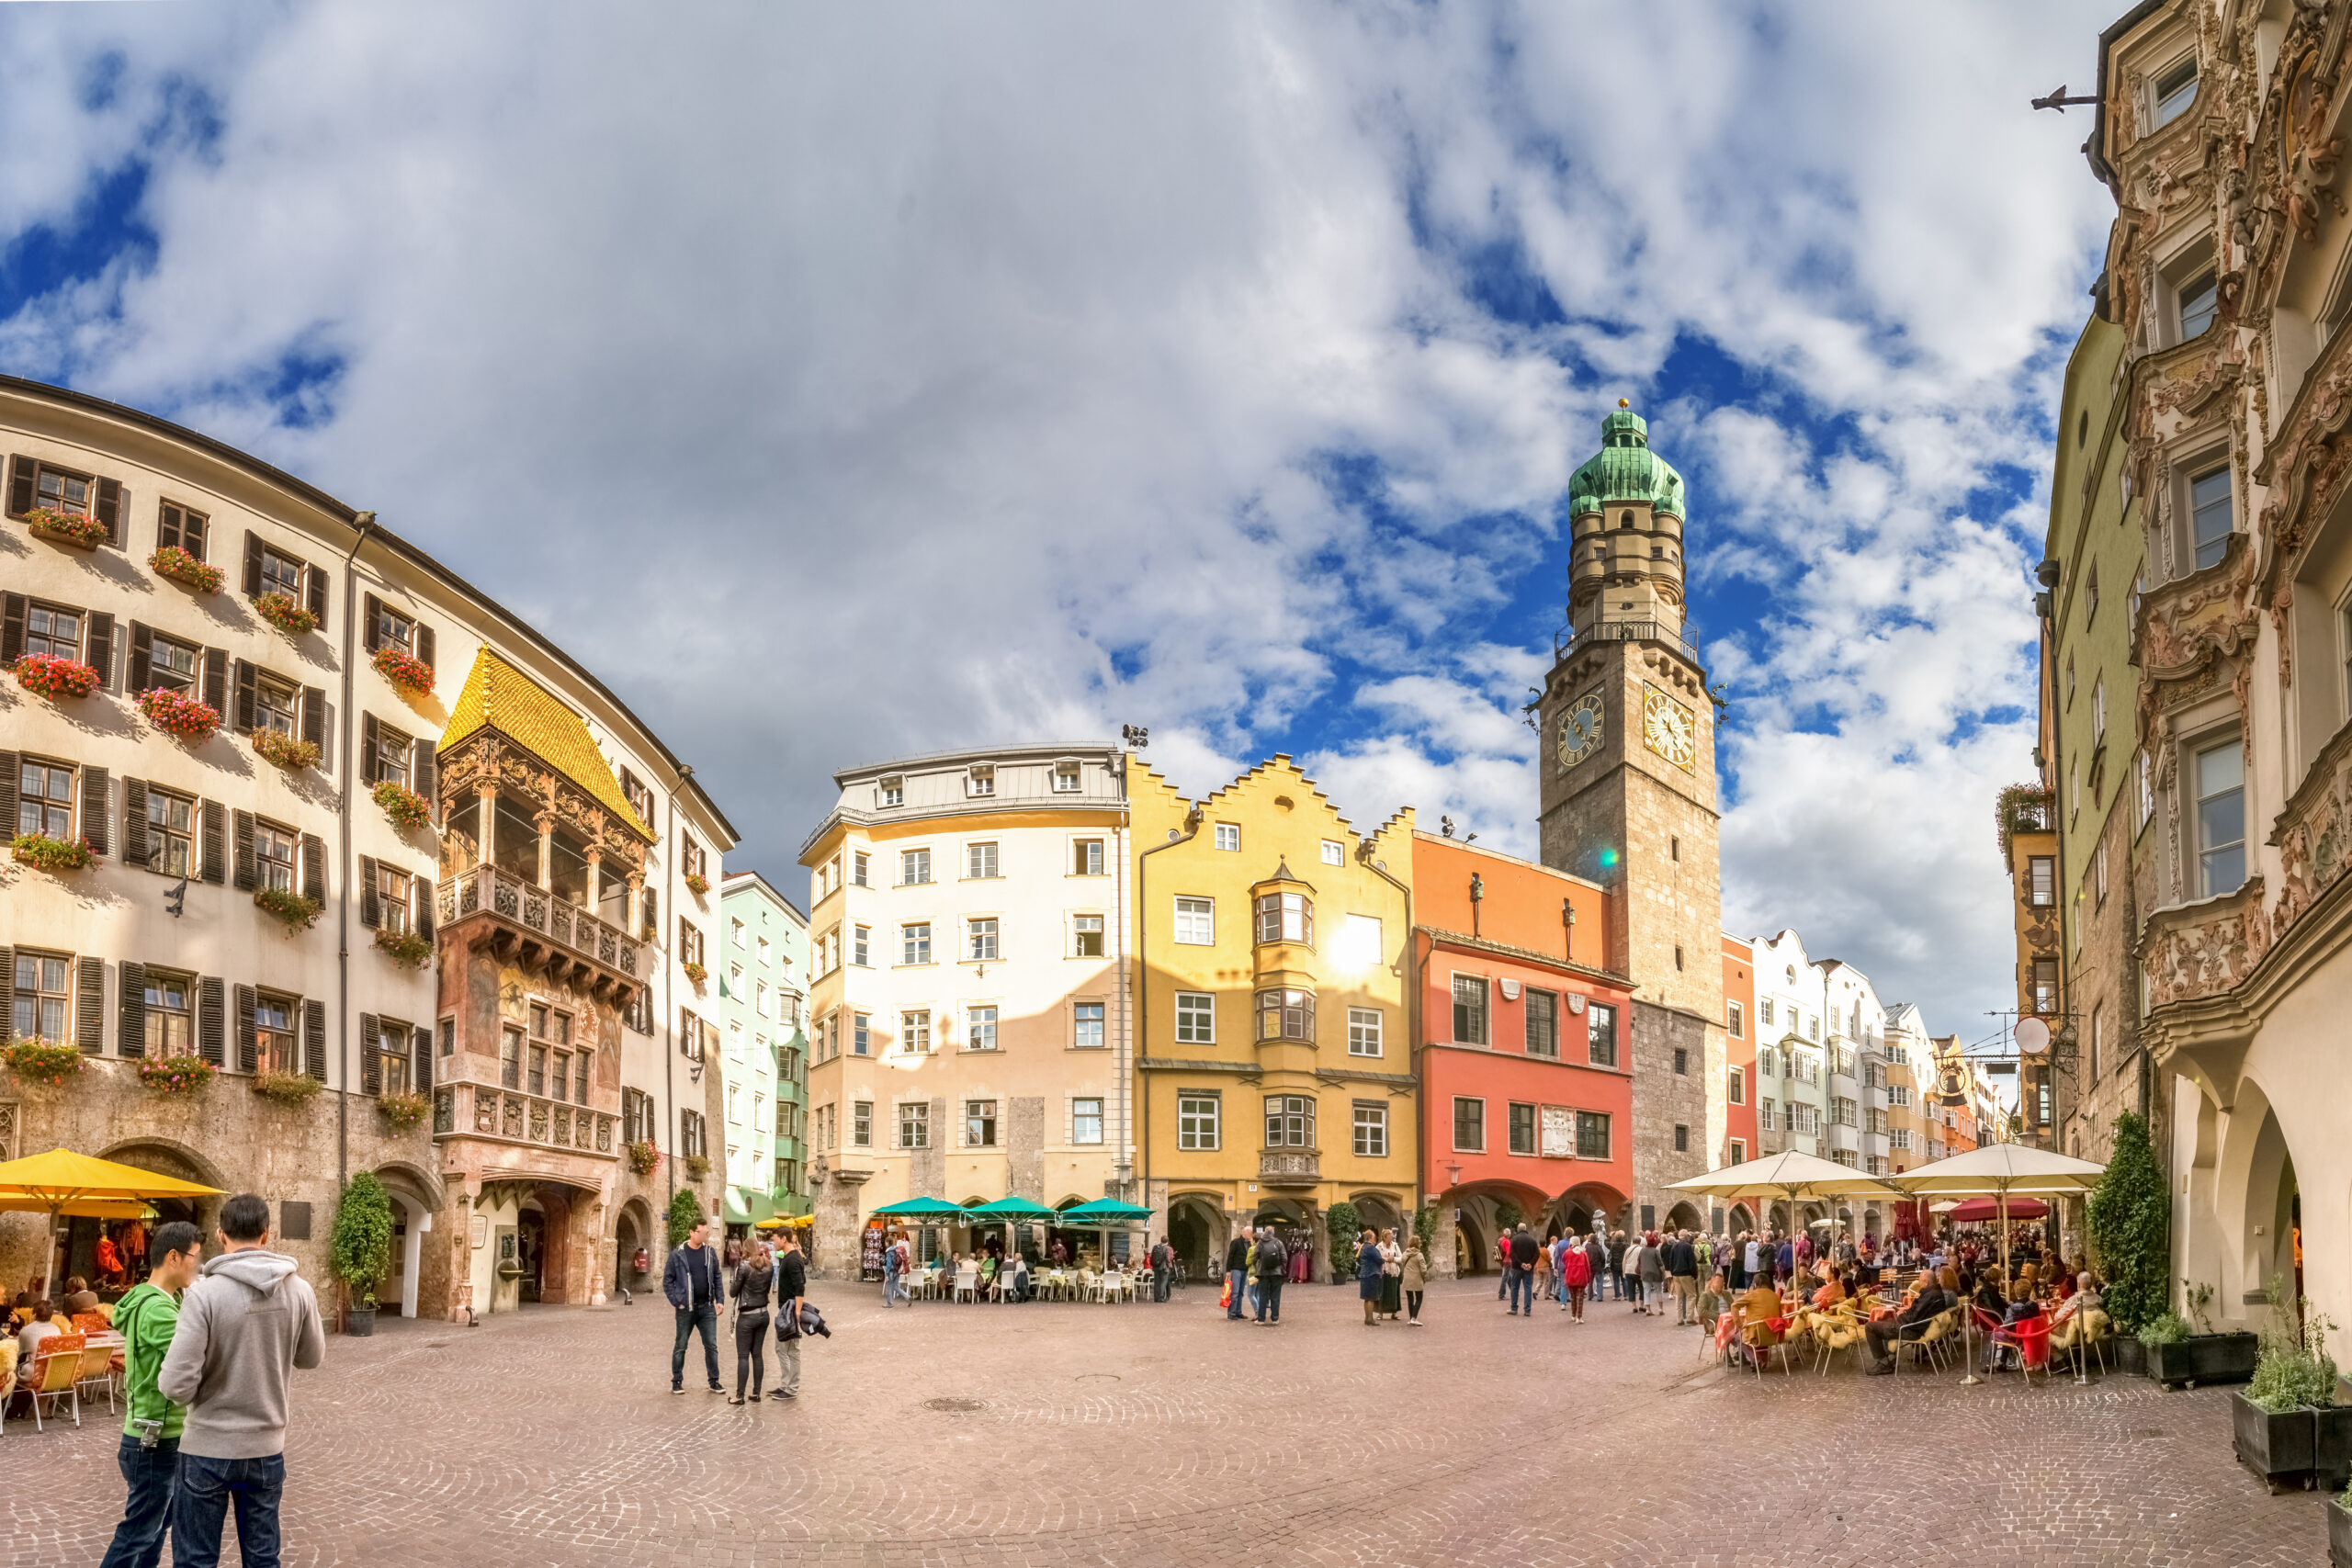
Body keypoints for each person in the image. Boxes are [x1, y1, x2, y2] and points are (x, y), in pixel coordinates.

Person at [160, 1192, 325, 1568]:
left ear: (221, 1234)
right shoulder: (299, 1290)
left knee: (196, 1560)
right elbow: (311, 1358)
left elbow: (174, 1385)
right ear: (267, 1234)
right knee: (263, 1558)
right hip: (266, 1447)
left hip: (207, 1447)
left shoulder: (203, 1295)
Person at [101, 1222, 202, 1568]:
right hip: (154, 1440)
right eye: (195, 1258)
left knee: (153, 1530)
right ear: (174, 1257)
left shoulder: (161, 1300)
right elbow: (194, 1357)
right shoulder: (158, 1309)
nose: (198, 1267)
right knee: (139, 1534)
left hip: (154, 1436)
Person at [664, 1217, 726, 1395]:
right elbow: (668, 1280)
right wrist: (677, 1301)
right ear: (692, 1233)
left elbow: (717, 1277)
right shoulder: (678, 1254)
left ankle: (714, 1381)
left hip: (707, 1307)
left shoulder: (709, 1252)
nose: (706, 1235)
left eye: (707, 1232)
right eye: (703, 1232)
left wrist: (719, 1300)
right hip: (686, 1308)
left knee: (711, 1346)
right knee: (681, 1345)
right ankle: (677, 1381)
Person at [1865, 1269, 1955, 1375]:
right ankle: (1891, 1358)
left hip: (1912, 1330)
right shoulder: (1935, 1293)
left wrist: (1901, 1314)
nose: (1919, 1282)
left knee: (1870, 1327)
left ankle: (1883, 1363)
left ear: (1925, 1282)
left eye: (1920, 1280)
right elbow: (1917, 1313)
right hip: (1916, 1327)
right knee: (1884, 1320)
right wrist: (1902, 1311)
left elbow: (1913, 1319)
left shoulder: (1930, 1296)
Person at [727, 1239, 773, 1405]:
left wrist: (734, 1279)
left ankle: (739, 1396)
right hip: (763, 1314)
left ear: (745, 1250)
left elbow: (733, 1293)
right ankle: (756, 1393)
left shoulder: (744, 1267)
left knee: (743, 1356)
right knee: (758, 1355)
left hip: (747, 1316)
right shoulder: (769, 1266)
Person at [772, 1229, 807, 1400]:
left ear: (783, 1239)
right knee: (781, 1348)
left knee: (792, 1349)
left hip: (790, 1310)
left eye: (775, 1239)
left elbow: (800, 1286)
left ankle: (792, 1388)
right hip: (785, 1309)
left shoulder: (793, 1259)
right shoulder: (789, 1257)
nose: (773, 1243)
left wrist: (797, 1312)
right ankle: (786, 1384)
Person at [1252, 1227, 1286, 1325]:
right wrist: (1283, 1270)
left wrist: (1257, 1267)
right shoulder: (1278, 1242)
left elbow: (1254, 1257)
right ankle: (1275, 1318)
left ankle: (1261, 1319)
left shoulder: (1260, 1243)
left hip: (1263, 1273)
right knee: (1275, 1296)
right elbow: (1284, 1258)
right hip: (1276, 1273)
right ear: (1273, 1233)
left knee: (1263, 1296)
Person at [1666, 1230, 1700, 1325]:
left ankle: (1679, 1319)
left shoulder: (1674, 1246)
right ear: (1686, 1237)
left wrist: (1673, 1272)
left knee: (1679, 1297)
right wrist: (1694, 1274)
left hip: (1676, 1274)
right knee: (1691, 1295)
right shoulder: (1688, 1247)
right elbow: (1692, 1262)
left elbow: (1671, 1260)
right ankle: (1690, 1317)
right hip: (1686, 1274)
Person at [1506, 1224, 1538, 1316]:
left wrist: (1521, 1263)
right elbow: (1537, 1253)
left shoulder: (1514, 1240)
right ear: (1525, 1229)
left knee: (1514, 1287)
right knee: (1528, 1288)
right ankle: (1527, 1310)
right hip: (1528, 1269)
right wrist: (1530, 1264)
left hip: (1516, 1268)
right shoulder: (1532, 1239)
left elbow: (1512, 1254)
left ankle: (1514, 1308)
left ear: (1518, 1230)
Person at [1560, 1231, 1591, 1323]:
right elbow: (1587, 1266)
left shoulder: (1567, 1252)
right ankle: (1579, 1317)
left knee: (1573, 1297)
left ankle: (1573, 1315)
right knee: (1580, 1298)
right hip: (1581, 1277)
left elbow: (1564, 1261)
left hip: (1570, 1276)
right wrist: (1588, 1278)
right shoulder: (1583, 1253)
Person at [1356, 1228, 1384, 1326]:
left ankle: (1367, 1318)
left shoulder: (1363, 1247)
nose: (1375, 1239)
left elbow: (1358, 1259)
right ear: (1370, 1238)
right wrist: (1385, 1259)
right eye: (1374, 1237)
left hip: (1364, 1274)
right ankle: (1370, 1319)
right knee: (1371, 1298)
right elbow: (1379, 1260)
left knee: (1366, 1298)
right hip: (1372, 1274)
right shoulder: (1371, 1248)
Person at [1225, 1225, 1250, 1322]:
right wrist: (1228, 1270)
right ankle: (1232, 1313)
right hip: (1236, 1269)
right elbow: (1230, 1256)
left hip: (1244, 1270)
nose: (1251, 1235)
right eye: (1250, 1233)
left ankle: (1238, 1312)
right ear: (1245, 1233)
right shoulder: (1235, 1242)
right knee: (1234, 1293)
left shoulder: (1249, 1244)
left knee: (1240, 1293)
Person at [1401, 1236, 1429, 1326]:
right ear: (1418, 1244)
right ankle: (1414, 1318)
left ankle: (1411, 1318)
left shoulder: (1406, 1253)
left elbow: (1401, 1261)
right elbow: (1423, 1269)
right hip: (1416, 1279)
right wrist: (1425, 1277)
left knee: (1410, 1298)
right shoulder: (1419, 1255)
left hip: (1407, 1278)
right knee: (1419, 1298)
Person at [1150, 1236, 1175, 1303]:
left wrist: (1153, 1264)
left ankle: (1156, 1298)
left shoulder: (1155, 1247)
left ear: (1161, 1240)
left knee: (1157, 1282)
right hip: (1164, 1267)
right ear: (1167, 1241)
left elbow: (1151, 1256)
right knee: (1163, 1282)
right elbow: (1168, 1258)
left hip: (1156, 1267)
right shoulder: (1168, 1248)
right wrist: (1170, 1263)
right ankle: (1161, 1297)